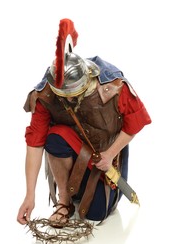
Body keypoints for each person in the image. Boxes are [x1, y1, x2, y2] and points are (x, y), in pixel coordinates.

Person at [17, 19, 151, 227]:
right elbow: (35, 142)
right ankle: (64, 200)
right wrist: (29, 195)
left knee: (95, 215)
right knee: (54, 137)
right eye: (66, 96)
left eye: (75, 94)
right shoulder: (44, 93)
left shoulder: (112, 84)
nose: (70, 100)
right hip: (70, 151)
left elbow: (136, 122)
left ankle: (88, 188)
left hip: (103, 157)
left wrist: (110, 154)